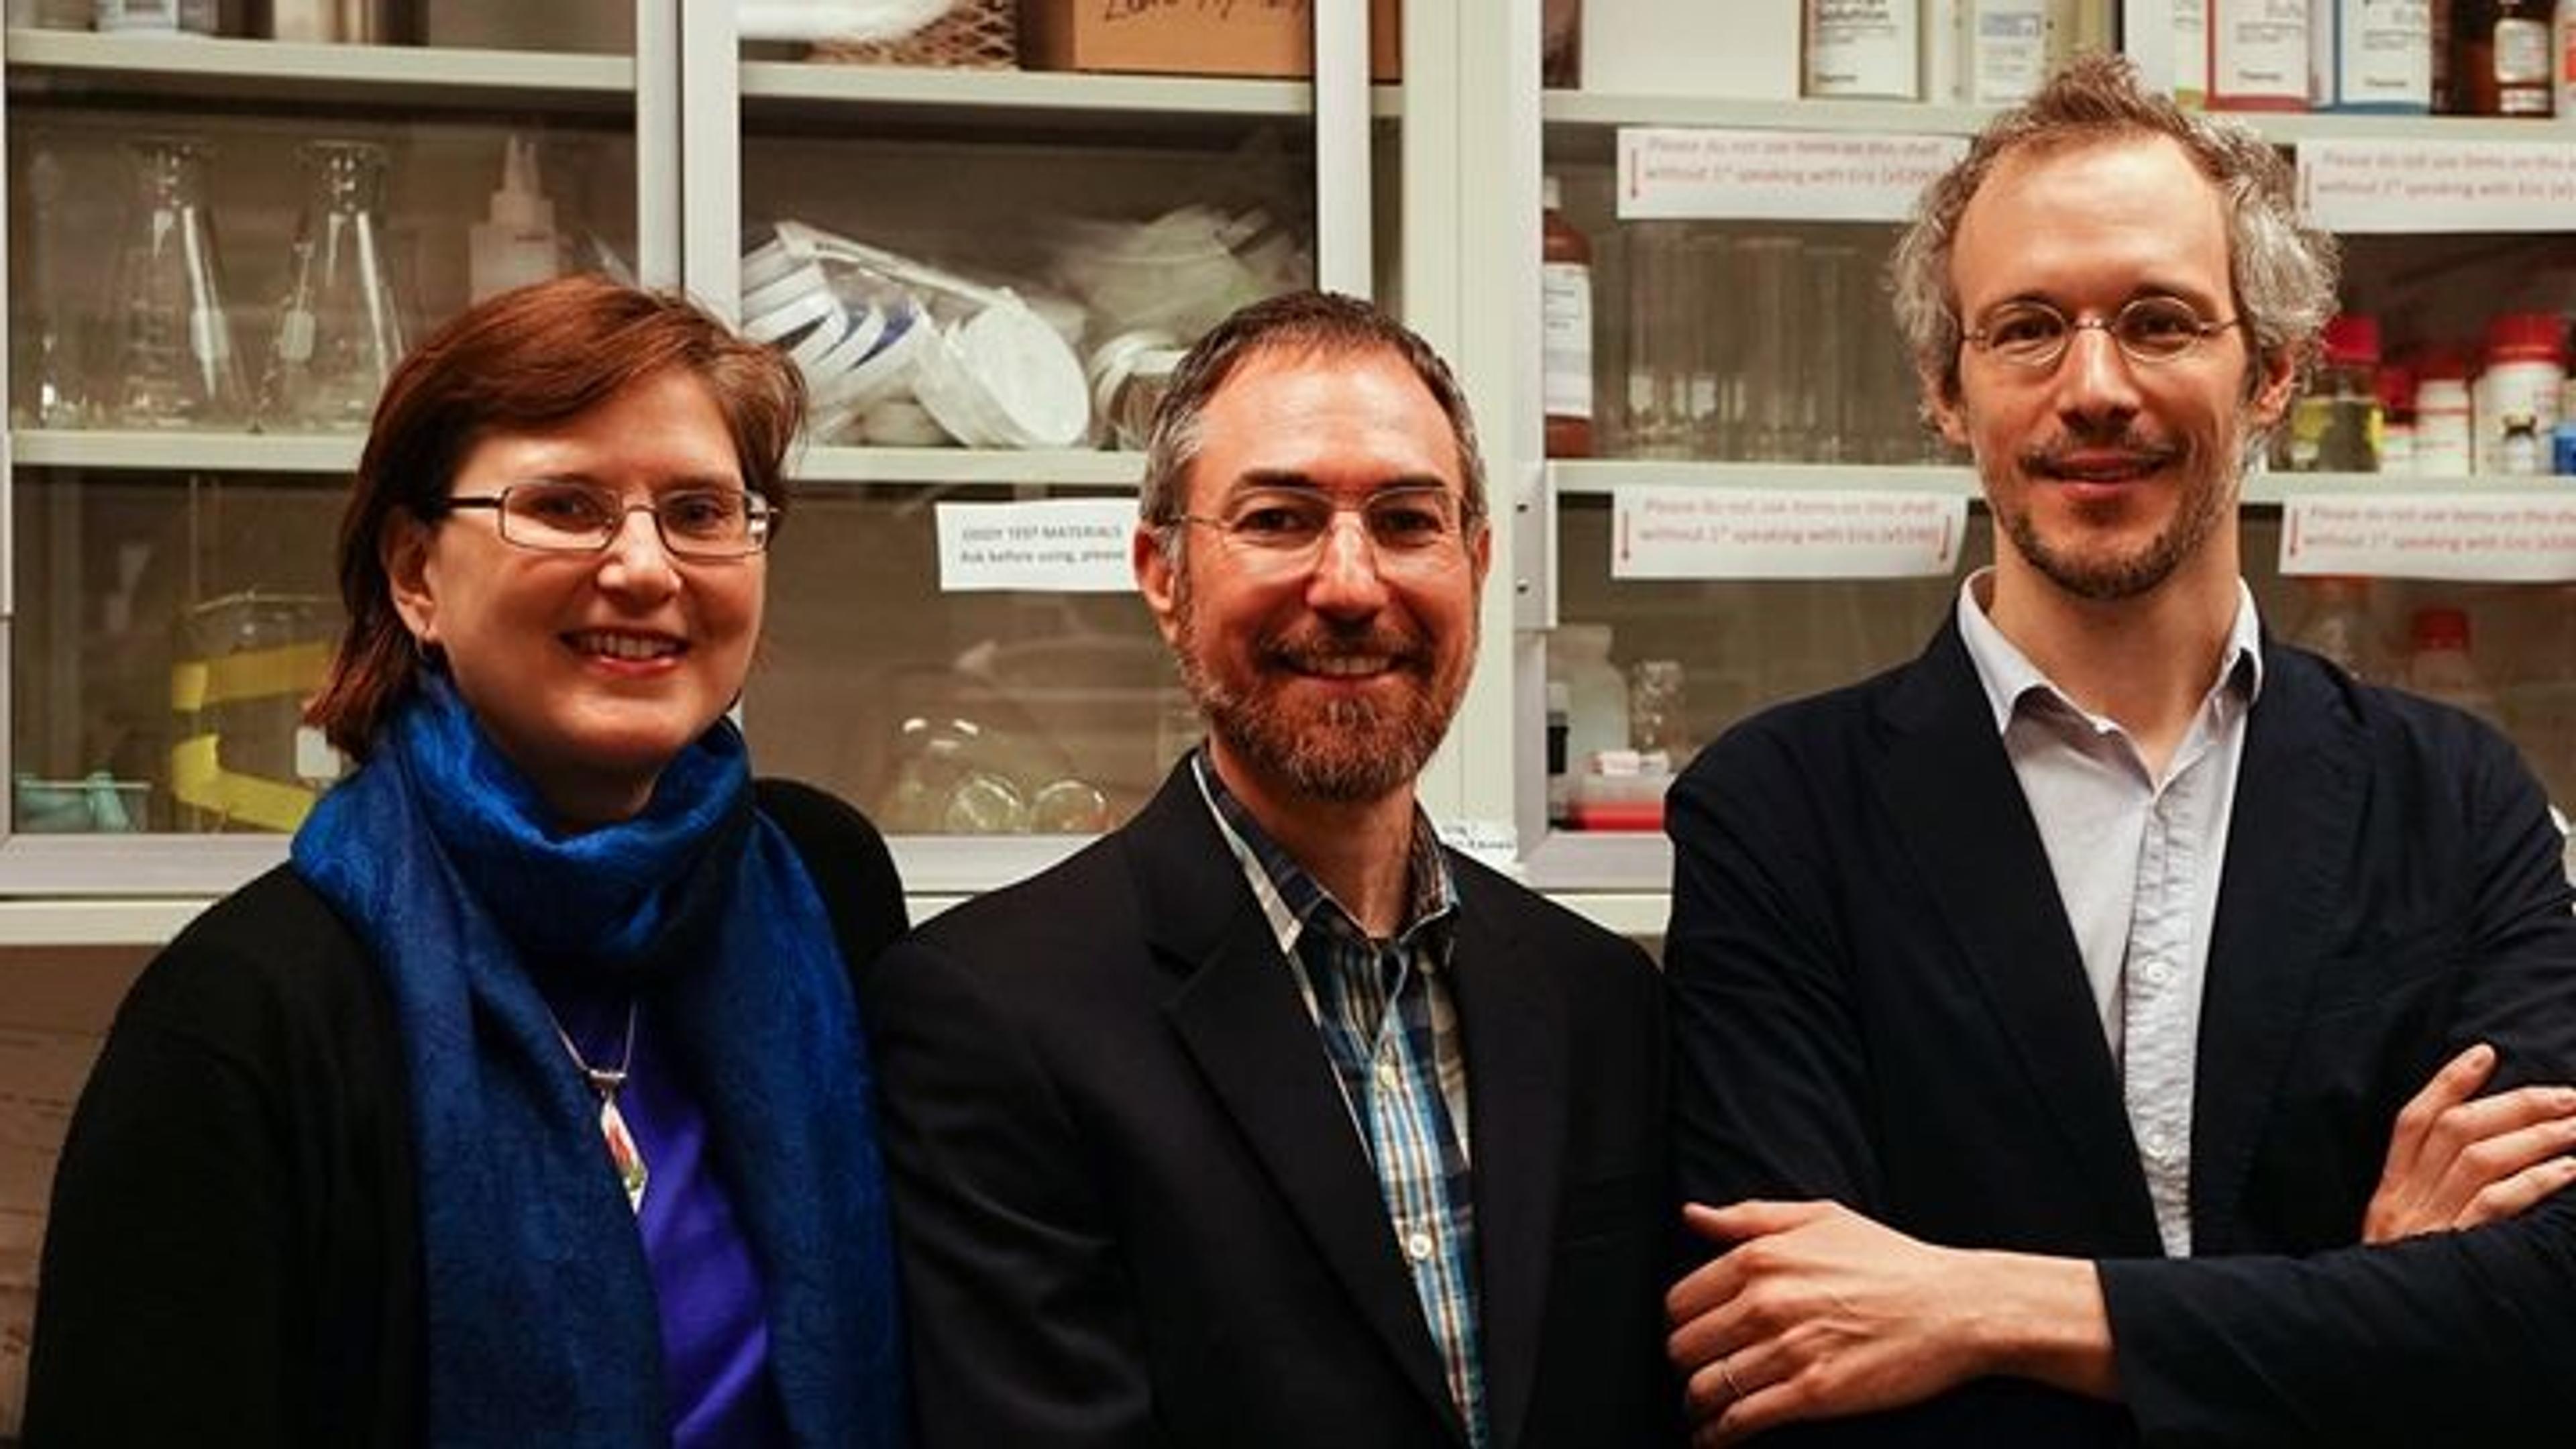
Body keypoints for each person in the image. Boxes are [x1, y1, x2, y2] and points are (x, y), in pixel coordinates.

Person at [1662, 54, 2576, 1446]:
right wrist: (2363, 1310)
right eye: (2027, 328)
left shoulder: (2455, 801)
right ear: (1947, 388)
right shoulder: (1776, 814)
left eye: (2160, 322)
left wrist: (1977, 1308)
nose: (2094, 387)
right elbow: (1780, 1360)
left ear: (2273, 372)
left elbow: (2541, 1318)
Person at [25, 276, 910, 1449]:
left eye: (699, 511)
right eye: (565, 505)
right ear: (415, 574)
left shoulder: (825, 889)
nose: (645, 568)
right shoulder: (247, 1016)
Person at [862, 290, 1675, 1449]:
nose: (1350, 584)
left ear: (1479, 563)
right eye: (1280, 519)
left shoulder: (1601, 1001)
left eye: (1407, 522)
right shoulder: (991, 1016)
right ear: (1162, 575)